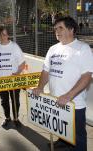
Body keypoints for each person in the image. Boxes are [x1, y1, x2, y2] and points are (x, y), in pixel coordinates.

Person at [32, 16, 93, 151]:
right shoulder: (53, 49)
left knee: (78, 137)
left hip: (74, 103)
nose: (57, 31)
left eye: (60, 28)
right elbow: (46, 70)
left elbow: (87, 76)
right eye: (55, 29)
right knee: (61, 127)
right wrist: (40, 87)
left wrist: (68, 95)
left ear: (71, 29)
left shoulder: (82, 48)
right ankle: (63, 142)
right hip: (54, 100)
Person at [0, 25, 25, 128]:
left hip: (13, 79)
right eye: (1, 35)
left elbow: (22, 63)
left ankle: (16, 118)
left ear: (8, 35)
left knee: (15, 100)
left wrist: (17, 73)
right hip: (1, 80)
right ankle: (7, 118)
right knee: (4, 100)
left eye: (5, 34)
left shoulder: (14, 46)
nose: (3, 36)